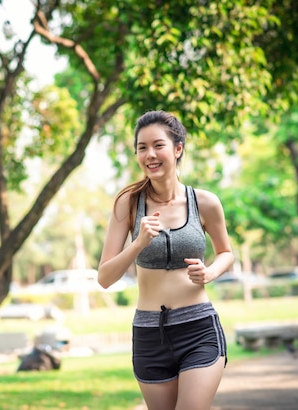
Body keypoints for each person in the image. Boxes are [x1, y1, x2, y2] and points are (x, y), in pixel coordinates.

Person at [97, 110, 234, 410]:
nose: (150, 155)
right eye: (142, 148)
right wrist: (138, 244)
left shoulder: (205, 202)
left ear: (178, 148)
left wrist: (209, 273)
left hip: (198, 328)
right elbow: (105, 277)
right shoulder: (129, 203)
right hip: (149, 335)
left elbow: (226, 253)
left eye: (158, 145)